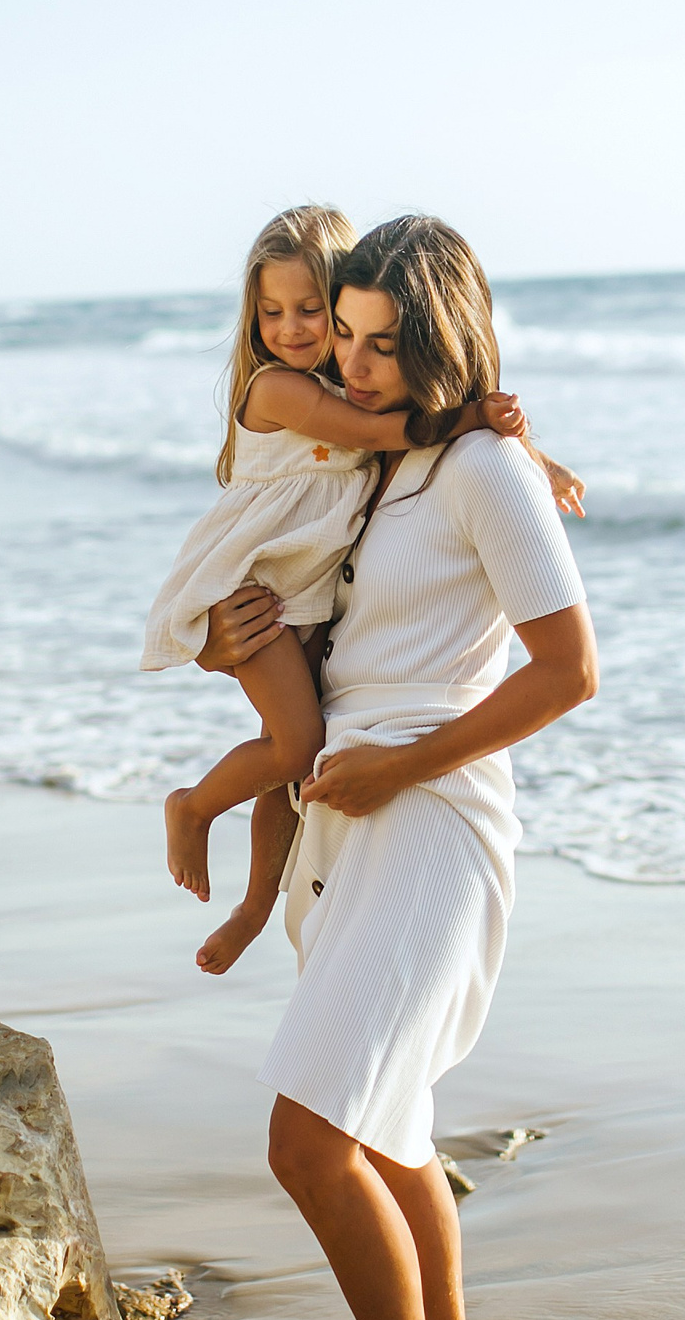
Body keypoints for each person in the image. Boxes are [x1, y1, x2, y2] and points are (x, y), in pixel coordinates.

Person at [194, 214, 598, 1320]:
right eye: (346, 339)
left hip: (430, 823)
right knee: (394, 1127)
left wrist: (398, 768)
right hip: (347, 818)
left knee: (311, 1136)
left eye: (382, 343)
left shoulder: (486, 469)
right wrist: (229, 641)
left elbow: (568, 671)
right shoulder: (382, 465)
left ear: (436, 333)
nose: (354, 367)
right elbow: (320, 643)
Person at [143, 206, 586, 977]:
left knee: (296, 758)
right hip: (268, 592)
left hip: (335, 659)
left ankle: (252, 905)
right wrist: (479, 416)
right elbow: (391, 430)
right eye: (275, 312)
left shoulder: (400, 432)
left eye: (316, 312)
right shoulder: (302, 400)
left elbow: (431, 437)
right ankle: (197, 807)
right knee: (296, 746)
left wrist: (524, 454)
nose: (302, 333)